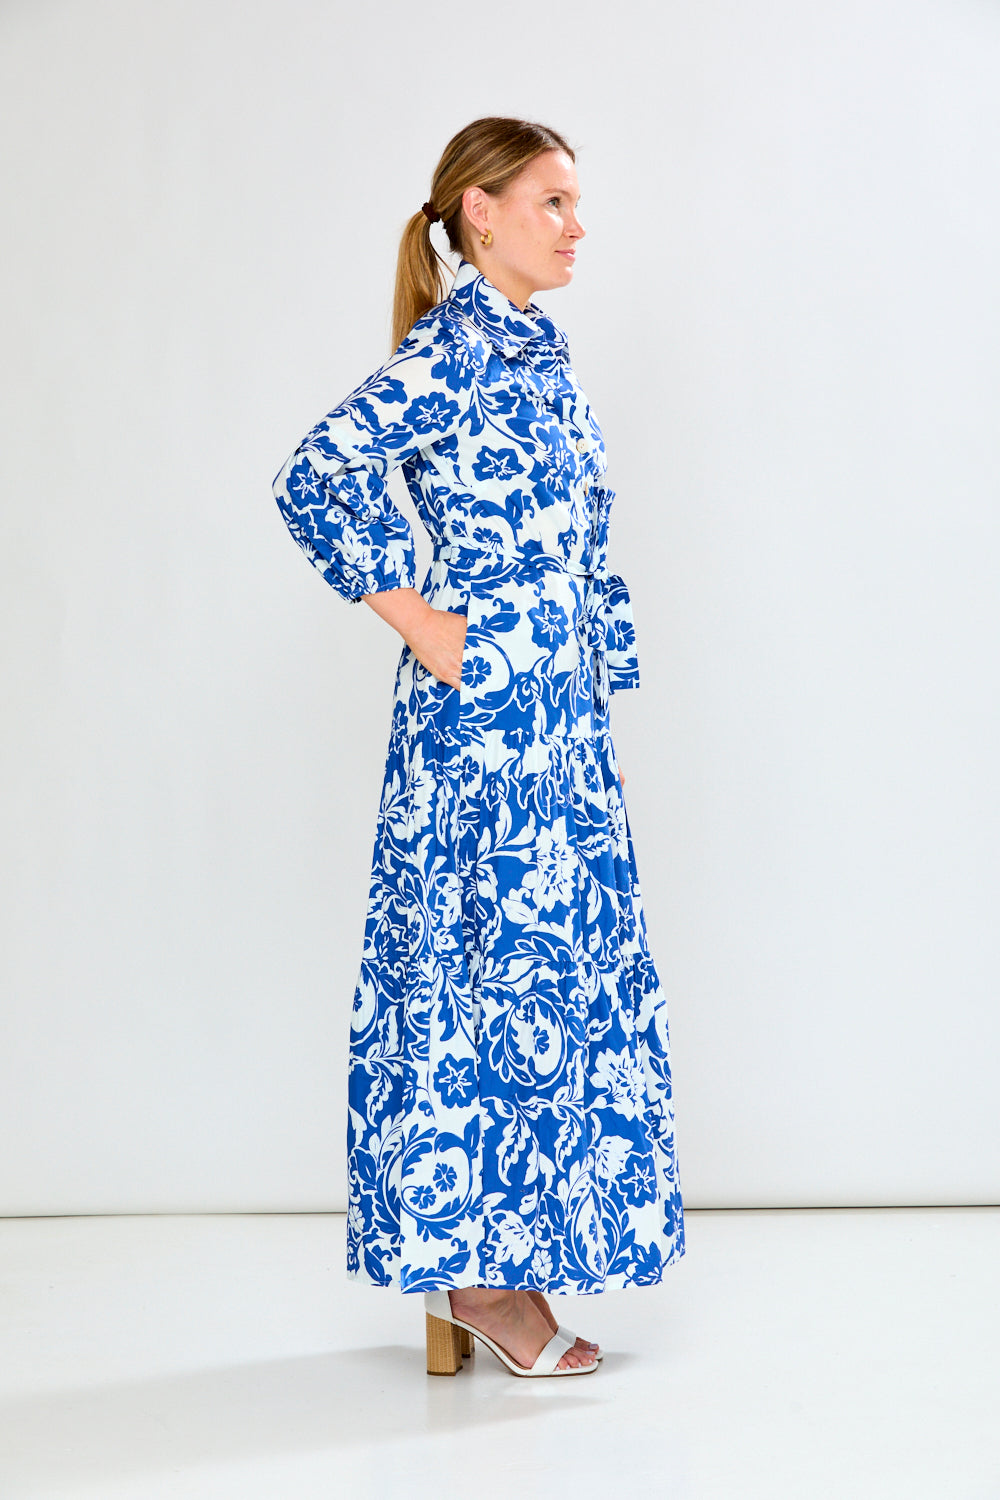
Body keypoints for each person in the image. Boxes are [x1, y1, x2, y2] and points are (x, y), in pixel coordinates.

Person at [272, 116, 685, 1378]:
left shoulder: (535, 351)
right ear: (479, 212)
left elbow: (578, 538)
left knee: (544, 980)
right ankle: (478, 1282)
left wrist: (586, 681)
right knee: (481, 977)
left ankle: (506, 1260)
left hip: (553, 721)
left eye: (576, 203)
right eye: (551, 201)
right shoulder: (453, 350)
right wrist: (425, 621)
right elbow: (312, 476)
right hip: (484, 719)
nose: (575, 225)